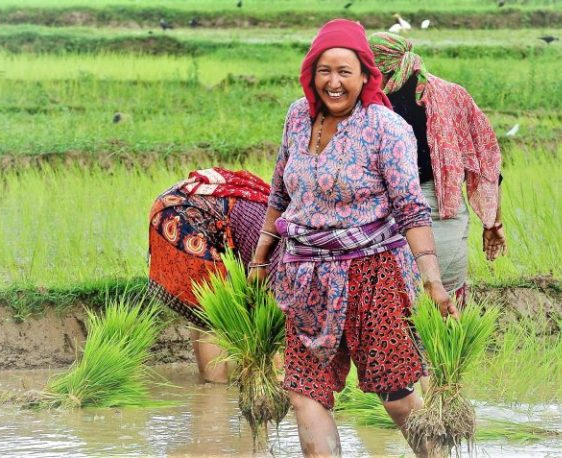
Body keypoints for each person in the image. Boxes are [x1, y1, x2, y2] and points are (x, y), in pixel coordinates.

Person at [246, 19, 454, 457]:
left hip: (374, 274)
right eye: (325, 71)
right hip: (305, 276)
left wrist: (432, 280)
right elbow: (280, 191)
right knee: (305, 391)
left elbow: (411, 209)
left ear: (365, 76)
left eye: (345, 71)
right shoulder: (297, 118)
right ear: (311, 74)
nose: (334, 82)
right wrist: (261, 259)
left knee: (395, 393)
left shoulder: (386, 128)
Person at [368, 32, 506, 307]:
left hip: (393, 207)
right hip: (439, 206)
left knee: (396, 301)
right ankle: (442, 346)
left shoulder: (369, 104)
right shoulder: (451, 95)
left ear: (376, 66)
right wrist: (493, 223)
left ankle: (421, 348)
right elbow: (487, 162)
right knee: (443, 299)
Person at [147, 167, 281, 383]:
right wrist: (278, 377)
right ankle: (215, 391)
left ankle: (207, 384)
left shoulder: (292, 231)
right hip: (187, 215)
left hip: (177, 205)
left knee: (202, 312)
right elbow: (268, 325)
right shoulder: (290, 260)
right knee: (215, 316)